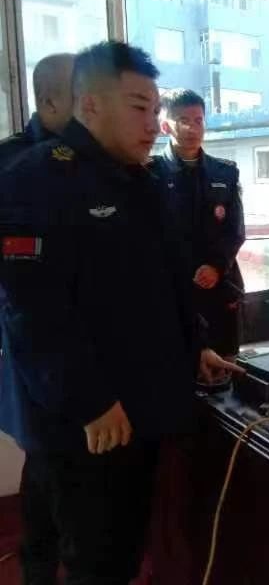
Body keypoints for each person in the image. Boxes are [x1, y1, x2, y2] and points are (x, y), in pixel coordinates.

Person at [0, 41, 239, 585]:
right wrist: (90, 401)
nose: (153, 124)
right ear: (90, 105)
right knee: (94, 560)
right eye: (138, 108)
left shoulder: (142, 180)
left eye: (155, 109)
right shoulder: (35, 180)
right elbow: (33, 312)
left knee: (126, 548)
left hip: (140, 410)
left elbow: (163, 287)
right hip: (88, 423)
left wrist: (194, 346)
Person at [149, 88, 245, 361]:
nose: (192, 128)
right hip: (175, 292)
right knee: (180, 365)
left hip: (220, 285)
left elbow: (236, 230)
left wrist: (216, 266)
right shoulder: (150, 173)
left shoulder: (225, 172)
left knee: (226, 364)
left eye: (198, 120)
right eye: (183, 120)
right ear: (166, 126)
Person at [0, 53, 75, 167]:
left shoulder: (93, 147)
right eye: (83, 95)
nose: (93, 105)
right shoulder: (11, 163)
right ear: (50, 104)